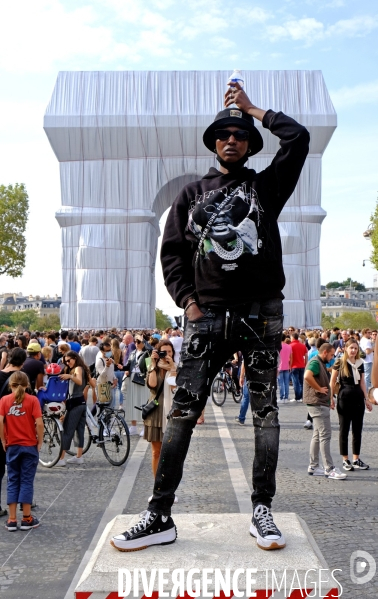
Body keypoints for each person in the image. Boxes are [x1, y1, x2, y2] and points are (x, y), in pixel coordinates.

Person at [111, 80, 309, 552]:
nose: (231, 139)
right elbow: (173, 253)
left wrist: (251, 108)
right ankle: (159, 513)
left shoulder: (266, 187)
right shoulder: (190, 194)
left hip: (261, 315)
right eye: (224, 134)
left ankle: (262, 510)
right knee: (181, 415)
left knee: (266, 415)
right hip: (207, 316)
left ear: (249, 144)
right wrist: (187, 302)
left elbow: (298, 137)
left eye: (239, 135)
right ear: (214, 143)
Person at [0, 371, 44, 531]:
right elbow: (39, 423)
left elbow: (0, 421)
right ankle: (27, 518)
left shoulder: (4, 400)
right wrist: (39, 441)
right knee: (26, 480)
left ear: (11, 385)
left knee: (13, 480)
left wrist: (3, 439)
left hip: (12, 445)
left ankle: (12, 520)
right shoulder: (32, 400)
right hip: (29, 445)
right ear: (27, 385)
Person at [303, 343, 346, 480]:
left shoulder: (319, 362)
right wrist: (318, 389)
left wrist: (328, 400)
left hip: (319, 403)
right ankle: (329, 468)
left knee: (317, 435)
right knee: (325, 435)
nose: (332, 357)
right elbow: (307, 376)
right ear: (325, 352)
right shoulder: (316, 362)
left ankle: (314, 466)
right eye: (332, 355)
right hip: (317, 403)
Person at [330, 339, 372, 471]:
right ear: (346, 349)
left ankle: (356, 459)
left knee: (357, 430)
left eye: (355, 348)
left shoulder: (360, 363)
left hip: (358, 398)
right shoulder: (340, 362)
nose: (353, 350)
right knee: (344, 430)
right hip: (344, 398)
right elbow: (332, 382)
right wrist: (330, 398)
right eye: (351, 348)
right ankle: (345, 459)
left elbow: (363, 383)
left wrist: (367, 399)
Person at [0, 348, 28, 518]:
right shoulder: (22, 379)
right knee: (20, 470)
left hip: (1, 428)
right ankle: (24, 505)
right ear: (23, 362)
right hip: (17, 431)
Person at [144, 340, 177, 478]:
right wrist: (153, 364)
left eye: (169, 352)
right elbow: (152, 385)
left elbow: (174, 388)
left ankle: (168, 488)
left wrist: (173, 368)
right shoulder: (151, 364)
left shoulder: (176, 367)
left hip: (171, 412)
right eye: (164, 351)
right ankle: (157, 488)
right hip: (155, 412)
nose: (167, 354)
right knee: (155, 452)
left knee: (170, 454)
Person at [56, 352, 91, 467]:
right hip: (81, 402)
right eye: (65, 361)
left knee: (67, 430)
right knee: (79, 430)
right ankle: (79, 456)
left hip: (75, 403)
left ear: (75, 359)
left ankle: (61, 458)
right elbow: (91, 383)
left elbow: (80, 381)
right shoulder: (83, 368)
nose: (67, 363)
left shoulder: (78, 369)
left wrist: (70, 376)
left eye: (69, 360)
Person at [120, 335, 150, 436]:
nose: (136, 344)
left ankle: (145, 426)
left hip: (143, 378)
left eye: (139, 342)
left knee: (143, 402)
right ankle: (133, 426)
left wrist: (144, 341)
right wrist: (121, 367)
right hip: (133, 377)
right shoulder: (133, 353)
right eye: (136, 342)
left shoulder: (147, 353)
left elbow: (149, 367)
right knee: (132, 402)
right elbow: (128, 365)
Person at [289, 332, 308, 402]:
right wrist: (306, 364)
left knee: (295, 382)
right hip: (302, 365)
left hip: (294, 366)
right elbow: (306, 356)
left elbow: (289, 357)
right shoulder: (303, 346)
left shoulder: (290, 346)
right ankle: (303, 396)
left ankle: (297, 397)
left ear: (292, 338)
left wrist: (289, 366)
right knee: (301, 382)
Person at [278, 333, 292, 402]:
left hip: (279, 367)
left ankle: (282, 397)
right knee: (286, 383)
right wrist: (290, 365)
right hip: (287, 366)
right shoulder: (289, 346)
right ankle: (286, 397)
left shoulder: (278, 347)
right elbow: (291, 357)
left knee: (281, 383)